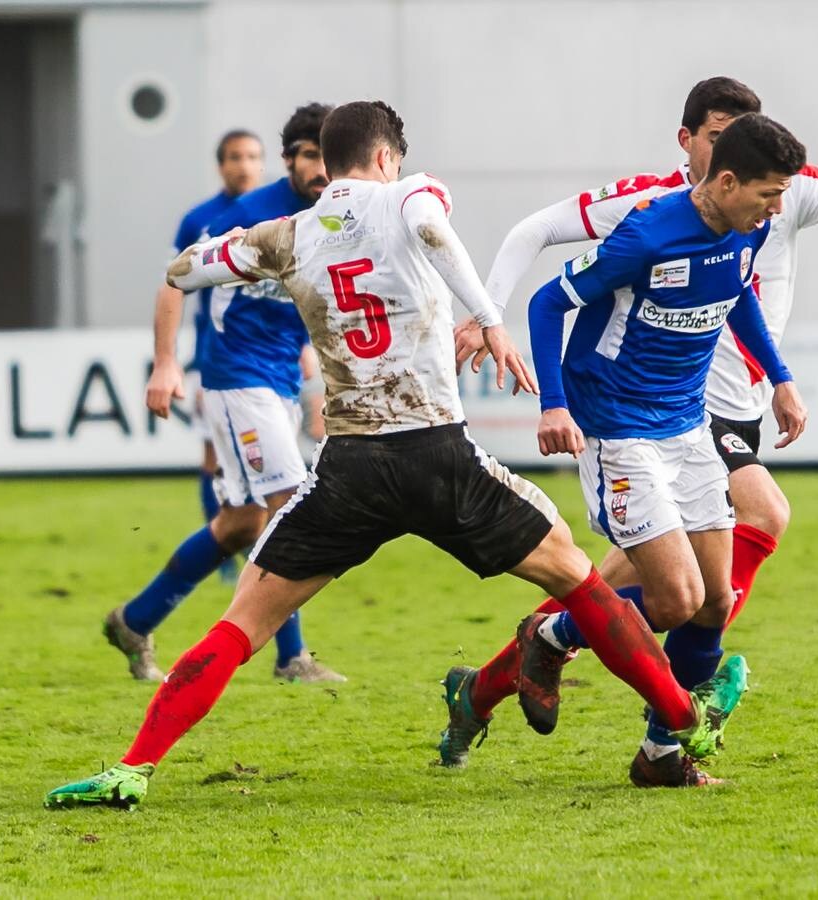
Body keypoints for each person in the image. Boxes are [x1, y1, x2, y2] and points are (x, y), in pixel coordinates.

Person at [45, 100, 749, 810]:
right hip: (439, 455)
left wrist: (233, 252)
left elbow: (187, 268)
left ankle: (133, 767)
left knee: (241, 623)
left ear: (328, 156)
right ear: (386, 156)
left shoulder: (285, 233)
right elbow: (429, 230)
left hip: (351, 467)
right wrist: (489, 321)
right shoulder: (411, 193)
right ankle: (685, 725)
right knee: (579, 582)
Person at [443, 76, 818, 786]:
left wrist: (781, 376)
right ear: (722, 176)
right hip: (619, 425)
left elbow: (736, 298)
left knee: (714, 598)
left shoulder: (748, 225)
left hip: (684, 425)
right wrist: (553, 405)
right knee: (671, 599)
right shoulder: (645, 227)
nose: (776, 209)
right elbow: (550, 300)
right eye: (767, 194)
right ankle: (550, 639)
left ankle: (659, 756)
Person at [105, 104, 344, 684]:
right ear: (289, 159)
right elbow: (175, 279)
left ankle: (134, 620)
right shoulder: (246, 215)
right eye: (310, 155)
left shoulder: (336, 215)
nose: (321, 168)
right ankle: (292, 657)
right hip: (235, 378)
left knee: (239, 523)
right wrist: (166, 365)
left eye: (329, 157)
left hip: (280, 380)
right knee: (291, 504)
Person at [167, 128, 264, 586]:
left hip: (274, 357)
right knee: (214, 456)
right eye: (233, 157)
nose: (242, 165)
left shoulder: (278, 213)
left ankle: (247, 544)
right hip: (219, 357)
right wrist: (165, 358)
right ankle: (227, 554)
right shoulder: (199, 219)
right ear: (220, 165)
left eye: (250, 156)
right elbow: (173, 284)